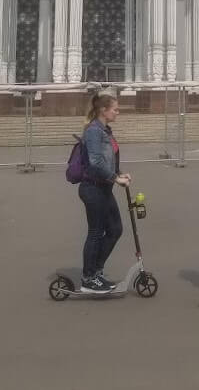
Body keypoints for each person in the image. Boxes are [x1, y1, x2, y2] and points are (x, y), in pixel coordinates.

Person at [78, 92, 131, 294]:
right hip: (92, 188)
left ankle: (96, 270)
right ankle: (88, 278)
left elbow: (107, 159)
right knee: (95, 233)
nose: (117, 113)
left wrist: (118, 174)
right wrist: (115, 178)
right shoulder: (93, 131)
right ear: (103, 110)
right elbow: (95, 161)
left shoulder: (105, 130)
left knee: (115, 229)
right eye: (115, 109)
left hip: (104, 187)